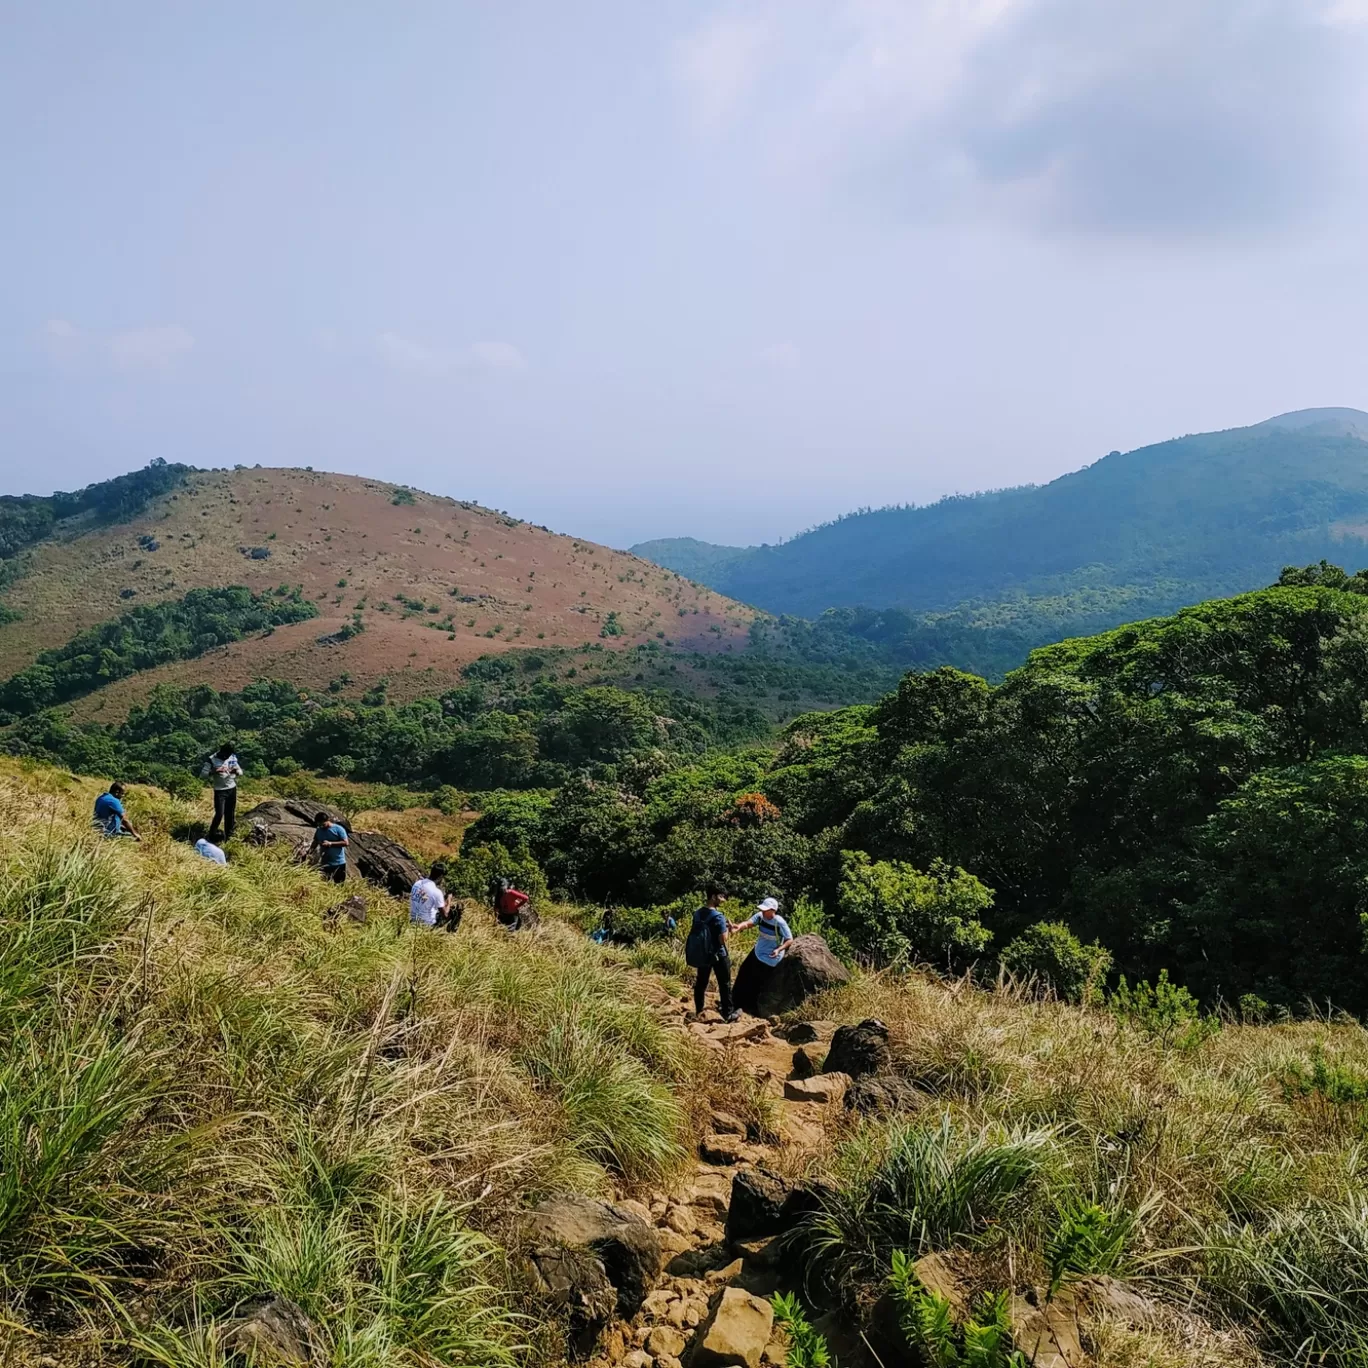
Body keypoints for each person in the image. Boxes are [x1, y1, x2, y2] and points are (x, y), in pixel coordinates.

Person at [730, 896, 795, 1016]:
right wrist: (738, 927)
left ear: (773, 910)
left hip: (770, 958)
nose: (763, 912)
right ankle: (734, 1003)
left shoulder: (779, 922)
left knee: (757, 981)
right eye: (763, 909)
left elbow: (789, 939)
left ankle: (750, 1009)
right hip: (758, 951)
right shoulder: (760, 917)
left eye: (766, 910)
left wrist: (779, 949)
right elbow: (749, 923)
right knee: (744, 973)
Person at [687, 885, 739, 1022]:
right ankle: (728, 1014)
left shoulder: (697, 913)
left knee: (701, 982)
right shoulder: (719, 917)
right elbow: (723, 939)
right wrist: (729, 929)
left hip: (703, 954)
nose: (724, 900)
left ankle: (699, 1010)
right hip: (718, 954)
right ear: (713, 896)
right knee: (725, 983)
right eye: (721, 896)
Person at [201, 742, 243, 842]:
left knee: (230, 814)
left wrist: (235, 772)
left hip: (232, 788)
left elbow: (240, 772)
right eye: (226, 755)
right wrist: (214, 771)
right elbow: (203, 775)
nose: (227, 756)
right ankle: (211, 835)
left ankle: (229, 837)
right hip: (220, 791)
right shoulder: (212, 759)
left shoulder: (232, 757)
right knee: (219, 814)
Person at [410, 861, 461, 930]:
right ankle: (452, 930)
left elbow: (425, 899)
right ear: (441, 876)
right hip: (427, 925)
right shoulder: (436, 892)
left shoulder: (417, 883)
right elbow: (445, 915)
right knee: (455, 911)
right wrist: (449, 900)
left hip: (413, 920)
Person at [311, 811, 349, 883]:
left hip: (338, 863)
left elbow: (346, 842)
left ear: (327, 820)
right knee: (326, 883)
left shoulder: (338, 829)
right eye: (319, 824)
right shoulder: (319, 830)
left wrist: (330, 843)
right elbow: (315, 841)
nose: (321, 826)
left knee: (339, 884)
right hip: (325, 862)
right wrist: (310, 851)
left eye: (323, 824)